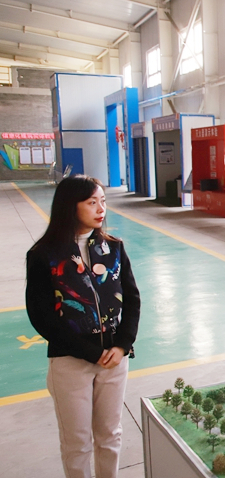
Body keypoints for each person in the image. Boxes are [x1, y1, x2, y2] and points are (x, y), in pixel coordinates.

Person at [26, 175, 141, 478]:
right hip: (70, 361)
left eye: (103, 201)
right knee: (76, 443)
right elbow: (41, 316)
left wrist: (123, 345)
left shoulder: (113, 248)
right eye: (92, 202)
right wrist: (90, 353)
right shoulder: (44, 255)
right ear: (70, 206)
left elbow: (131, 299)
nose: (101, 209)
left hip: (114, 359)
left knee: (110, 435)